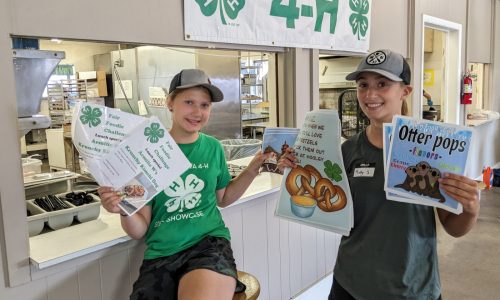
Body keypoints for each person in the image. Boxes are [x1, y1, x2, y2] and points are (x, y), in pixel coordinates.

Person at [278, 49, 480, 299]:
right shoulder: (347, 150)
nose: (370, 94)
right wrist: (296, 170)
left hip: (412, 290)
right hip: (350, 285)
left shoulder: (433, 149)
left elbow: (453, 227)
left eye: (382, 84)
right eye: (363, 85)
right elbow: (327, 209)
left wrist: (470, 209)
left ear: (405, 91)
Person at [98, 69, 272, 300]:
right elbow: (139, 230)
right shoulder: (148, 152)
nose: (197, 112)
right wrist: (123, 208)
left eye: (205, 105)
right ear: (170, 103)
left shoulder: (213, 148)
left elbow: (224, 198)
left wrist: (252, 168)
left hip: (209, 245)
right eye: (189, 102)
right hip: (161, 254)